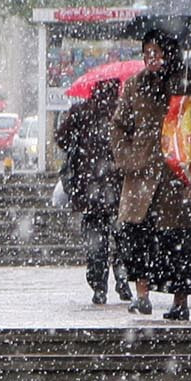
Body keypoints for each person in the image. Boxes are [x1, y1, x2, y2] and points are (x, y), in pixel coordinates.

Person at [111, 33, 191, 322]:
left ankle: (180, 300)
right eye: (147, 53)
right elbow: (119, 126)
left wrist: (190, 118)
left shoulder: (189, 82)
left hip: (178, 175)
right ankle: (142, 294)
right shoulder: (135, 85)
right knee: (136, 235)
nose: (152, 59)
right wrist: (129, 158)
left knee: (181, 241)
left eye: (157, 52)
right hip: (143, 176)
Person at [56, 80, 130, 305]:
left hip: (90, 192)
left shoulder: (81, 112)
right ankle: (123, 279)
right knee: (123, 238)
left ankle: (99, 285)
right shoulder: (122, 112)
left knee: (96, 243)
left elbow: (62, 140)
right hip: (117, 190)